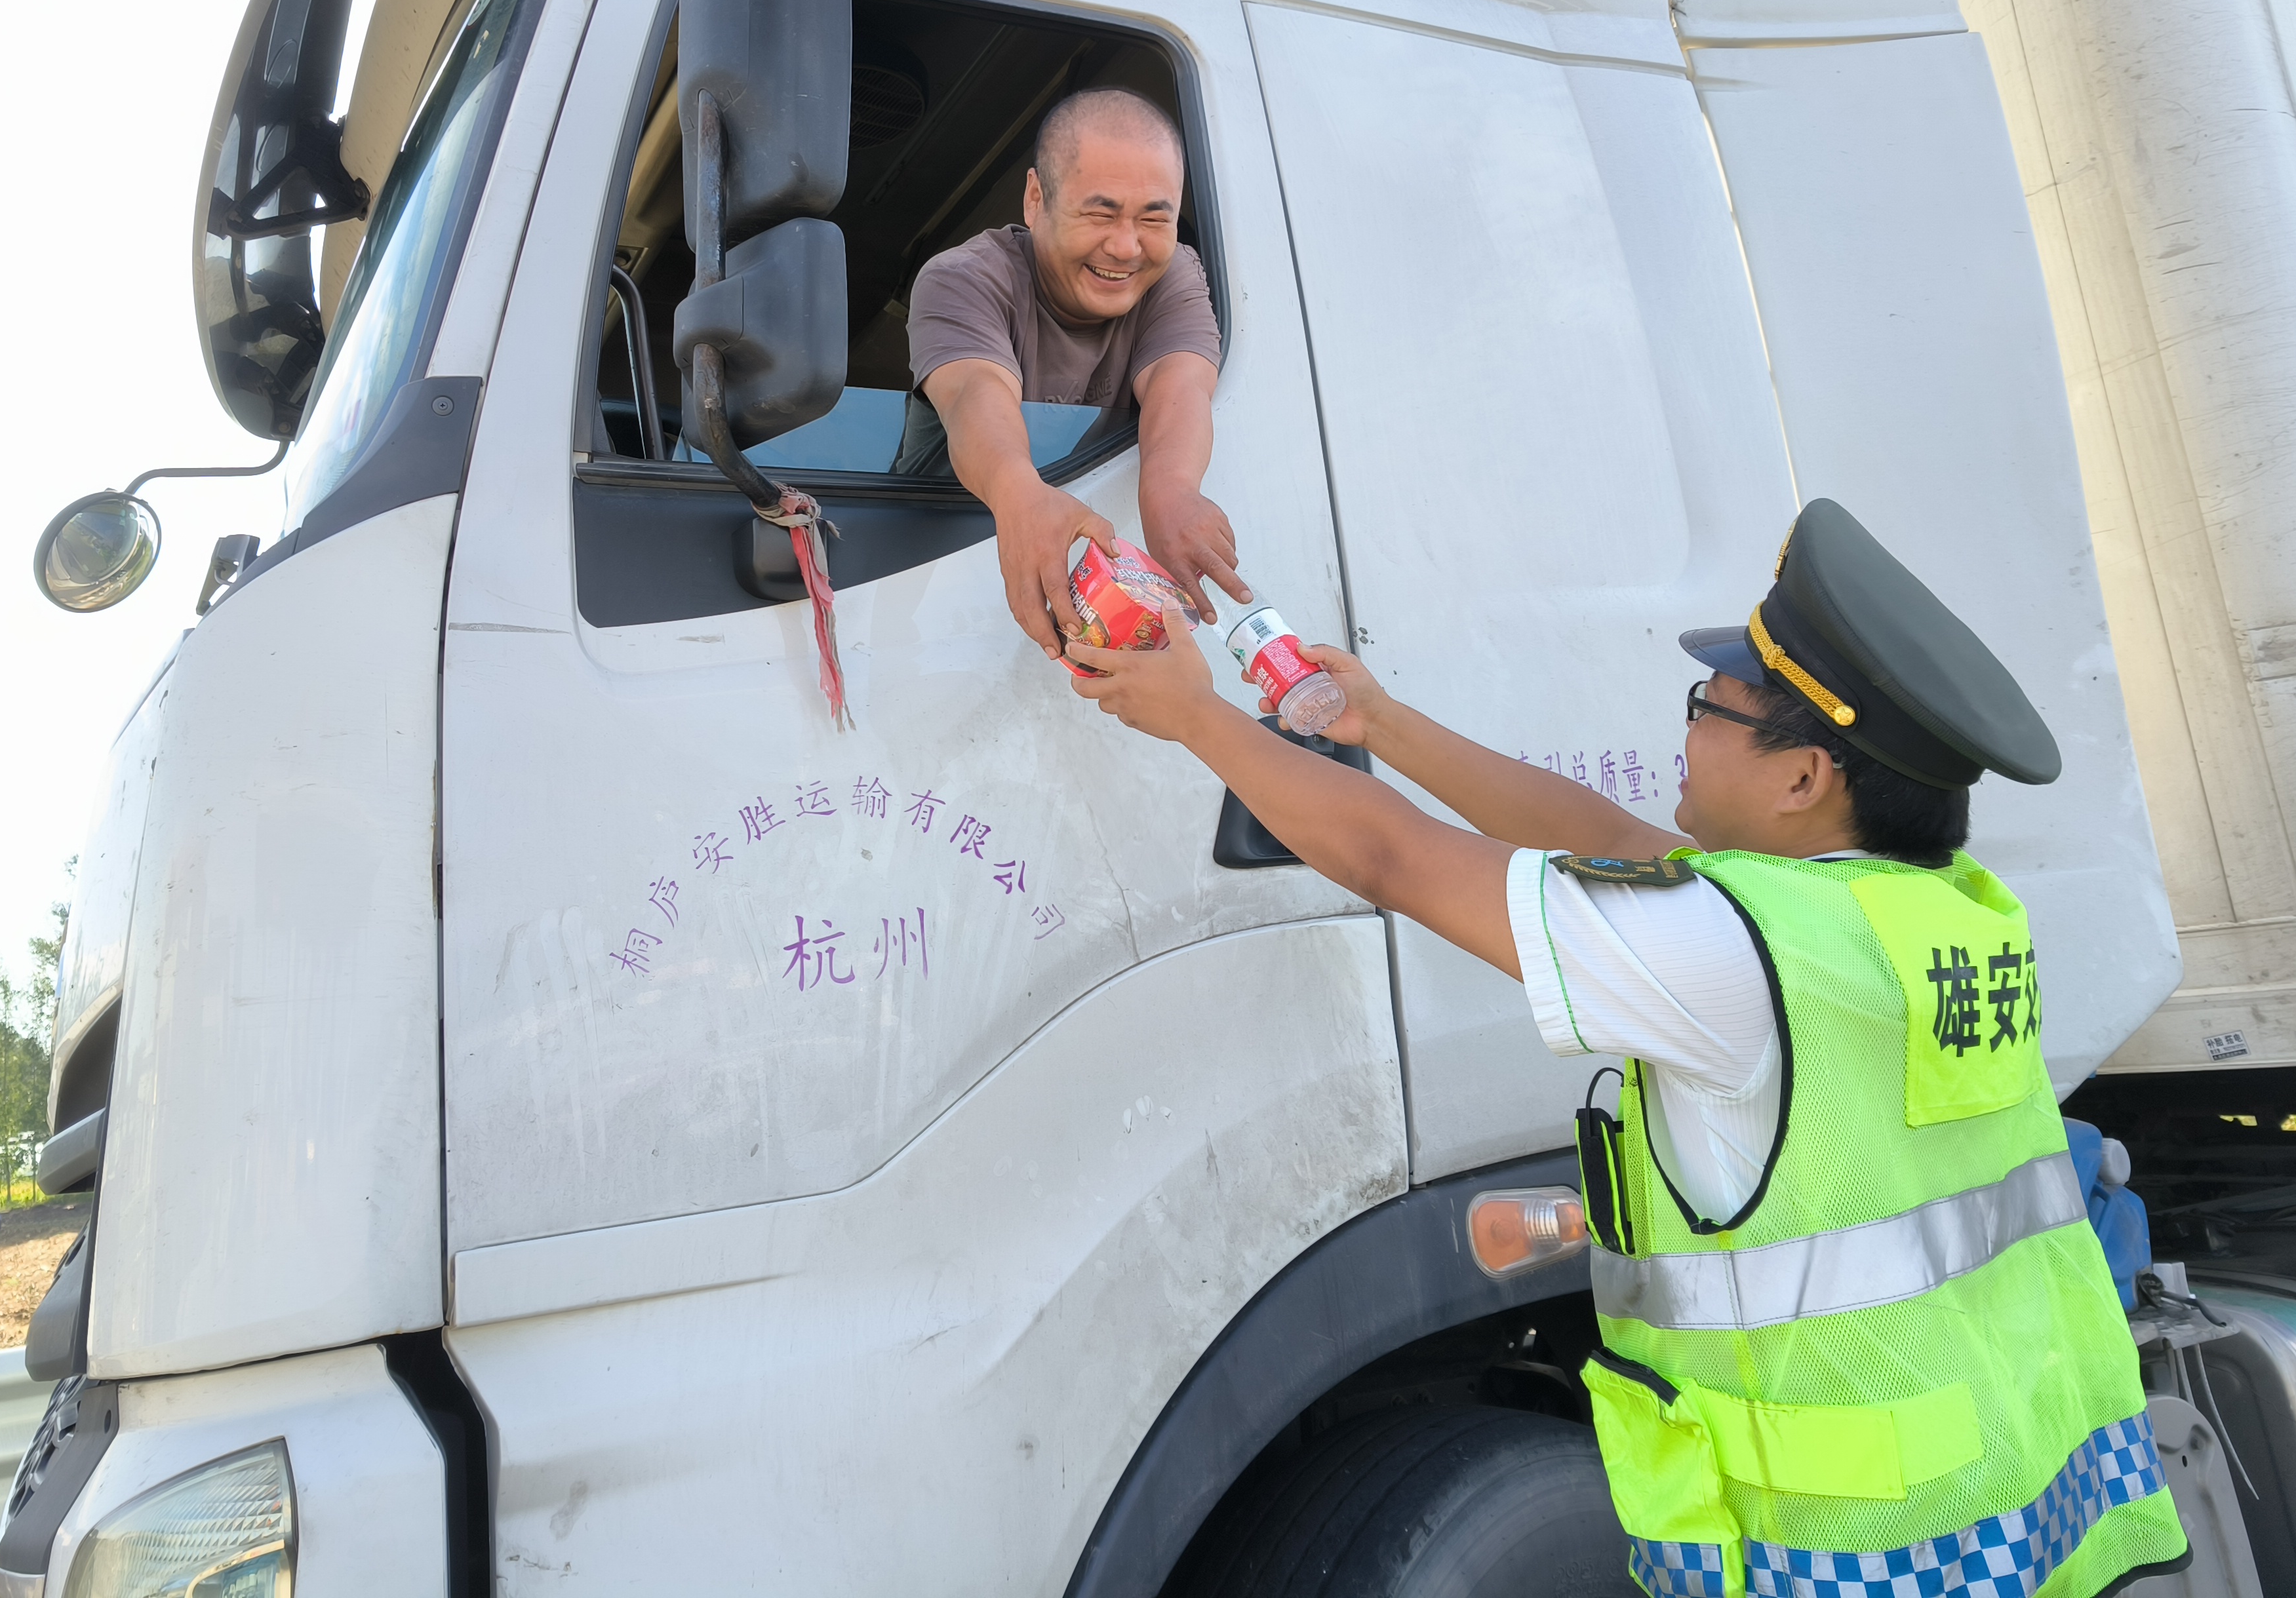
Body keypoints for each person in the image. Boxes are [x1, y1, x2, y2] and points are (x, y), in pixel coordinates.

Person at [1065, 499, 2187, 1598]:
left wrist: (1197, 716)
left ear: (1805, 778)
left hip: (1847, 1554)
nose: (1687, 726)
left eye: (1712, 704)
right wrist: (1382, 722)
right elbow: (1600, 833)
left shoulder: (1739, 956)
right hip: (2004, 1505)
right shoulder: (1928, 915)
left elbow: (1392, 860)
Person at [906, 87, 1248, 657]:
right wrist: (1020, 494)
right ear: (1036, 198)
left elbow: (1179, 381)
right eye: (1101, 213)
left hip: (1108, 594)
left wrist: (1171, 492)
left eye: (1153, 219)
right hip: (933, 563)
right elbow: (975, 392)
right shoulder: (963, 278)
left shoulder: (1173, 278)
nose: (1126, 246)